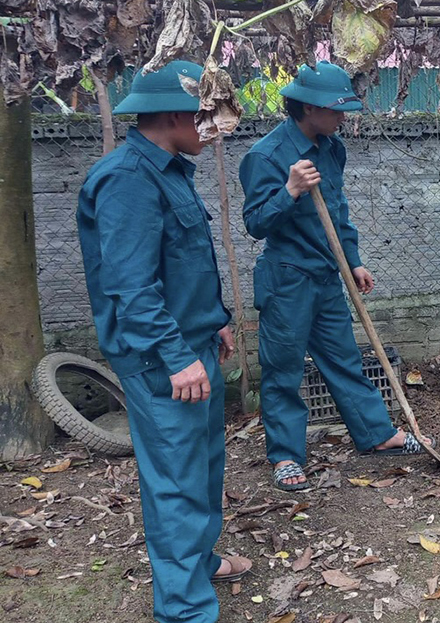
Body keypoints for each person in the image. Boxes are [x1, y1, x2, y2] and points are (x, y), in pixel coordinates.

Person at [77, 60, 250, 623]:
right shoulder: (127, 178)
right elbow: (130, 286)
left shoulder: (170, 169)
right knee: (175, 479)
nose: (214, 128)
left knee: (202, 464)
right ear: (178, 115)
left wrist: (213, 320)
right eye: (208, 116)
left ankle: (198, 562)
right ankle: (183, 609)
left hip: (191, 342)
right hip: (161, 359)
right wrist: (178, 357)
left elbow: (182, 265)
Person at [240, 61, 432, 492]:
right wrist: (288, 191)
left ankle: (376, 435)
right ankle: (287, 456)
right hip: (287, 279)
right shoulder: (266, 156)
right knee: (284, 370)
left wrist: (353, 259)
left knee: (345, 358)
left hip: (328, 275)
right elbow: (255, 223)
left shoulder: (331, 148)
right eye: (336, 109)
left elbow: (338, 211)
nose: (344, 117)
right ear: (307, 108)